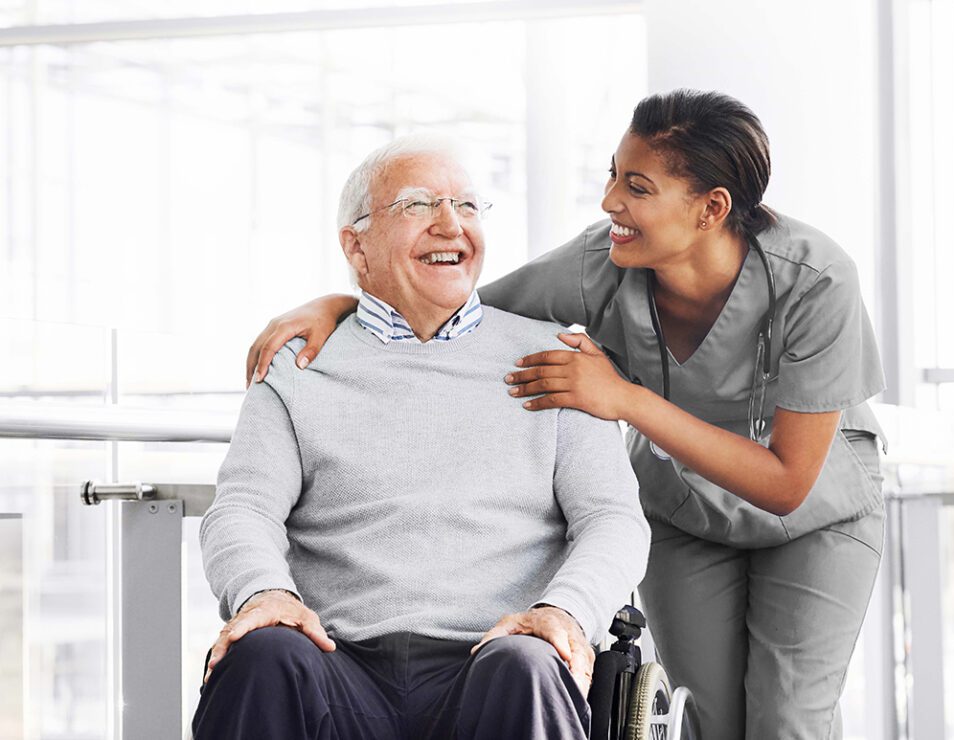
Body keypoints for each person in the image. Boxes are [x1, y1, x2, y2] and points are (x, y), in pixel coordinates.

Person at [247, 90, 887, 740]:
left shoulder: (816, 281)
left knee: (789, 722)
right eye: (612, 174)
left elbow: (786, 484)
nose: (610, 200)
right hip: (689, 513)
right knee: (709, 723)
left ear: (710, 208)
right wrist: (341, 303)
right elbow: (447, 305)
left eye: (636, 186)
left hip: (814, 519)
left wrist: (624, 399)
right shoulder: (601, 262)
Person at [195, 135, 651, 740]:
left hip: (495, 658)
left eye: (466, 206)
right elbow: (242, 509)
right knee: (263, 654)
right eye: (417, 205)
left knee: (527, 663)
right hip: (338, 660)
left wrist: (562, 611)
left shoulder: (557, 359)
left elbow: (613, 519)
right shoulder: (298, 369)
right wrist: (263, 593)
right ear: (356, 246)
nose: (450, 225)